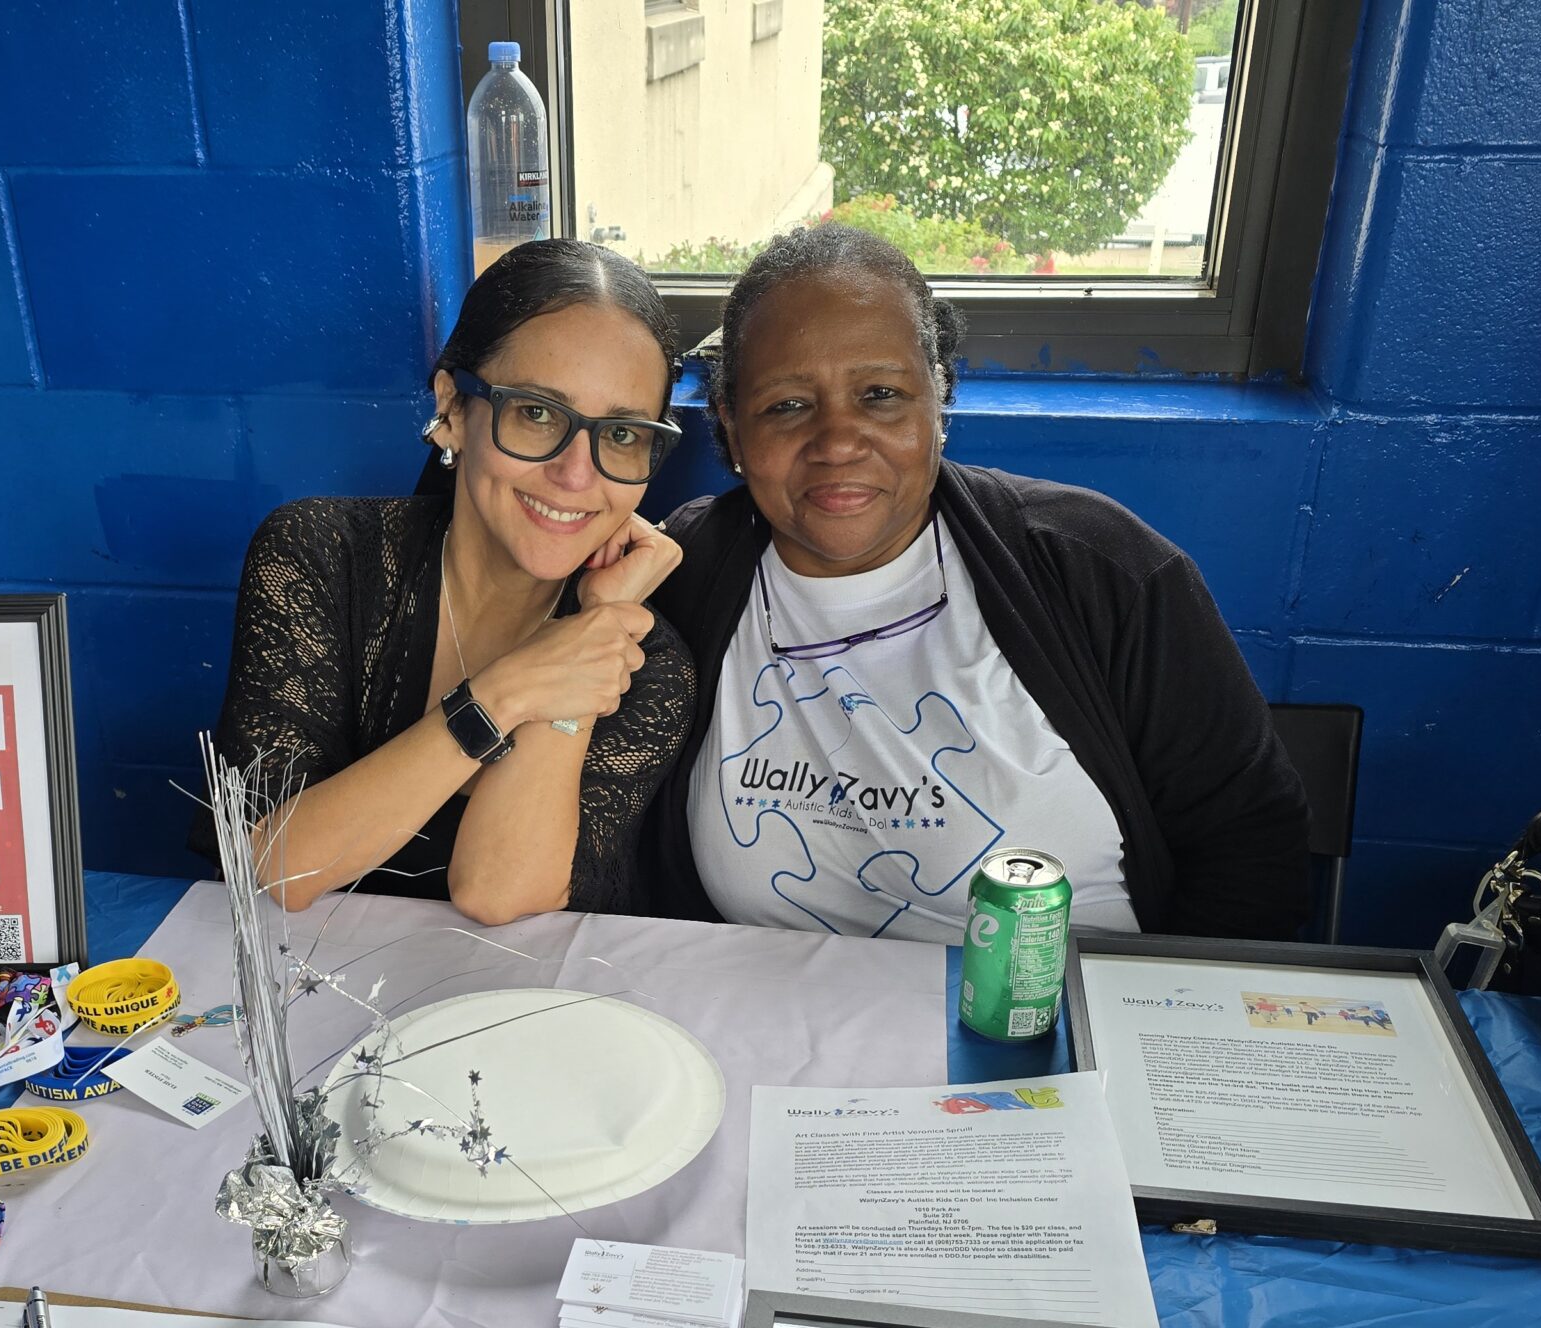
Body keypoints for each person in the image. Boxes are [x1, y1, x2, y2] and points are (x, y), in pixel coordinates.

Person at [643, 225, 1309, 939]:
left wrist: (1146, 1003)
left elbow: (1253, 853)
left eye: (880, 394)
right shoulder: (679, 572)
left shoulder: (1099, 569)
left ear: (938, 399)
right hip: (763, 1006)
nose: (837, 442)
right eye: (787, 405)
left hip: (1061, 1005)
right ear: (732, 425)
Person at [215, 239, 693, 923]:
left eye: (620, 434)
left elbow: (498, 892)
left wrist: (591, 632)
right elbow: (281, 867)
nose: (576, 475)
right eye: (537, 413)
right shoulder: (321, 557)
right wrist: (506, 691)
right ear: (454, 409)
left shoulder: (648, 664)